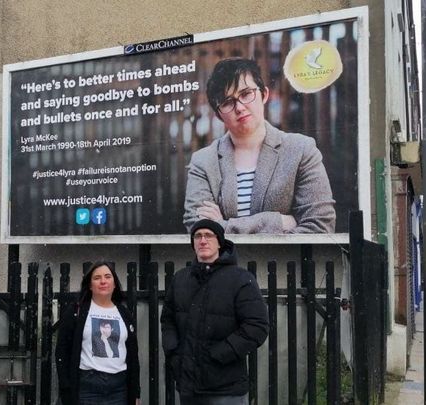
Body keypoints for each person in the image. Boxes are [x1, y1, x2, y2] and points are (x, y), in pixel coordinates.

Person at [183, 57, 336, 234]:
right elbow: (200, 230)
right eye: (227, 102)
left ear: (264, 94)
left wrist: (223, 225)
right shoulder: (203, 161)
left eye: (246, 94)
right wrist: (278, 221)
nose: (239, 107)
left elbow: (321, 227)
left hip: (284, 261)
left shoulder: (301, 150)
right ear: (218, 115)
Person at [161, 219, 269, 405]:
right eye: (197, 236)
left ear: (219, 242)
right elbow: (168, 321)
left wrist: (218, 354)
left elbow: (256, 327)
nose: (203, 240)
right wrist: (174, 354)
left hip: (226, 387)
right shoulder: (180, 279)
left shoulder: (241, 279)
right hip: (189, 386)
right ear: (193, 243)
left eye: (208, 235)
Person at [55, 261, 141, 405]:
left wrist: (135, 393)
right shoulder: (77, 311)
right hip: (87, 388)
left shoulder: (124, 314)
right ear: (90, 285)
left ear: (114, 284)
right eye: (97, 278)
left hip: (119, 389)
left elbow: (133, 355)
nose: (103, 281)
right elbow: (62, 351)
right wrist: (66, 389)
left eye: (108, 277)